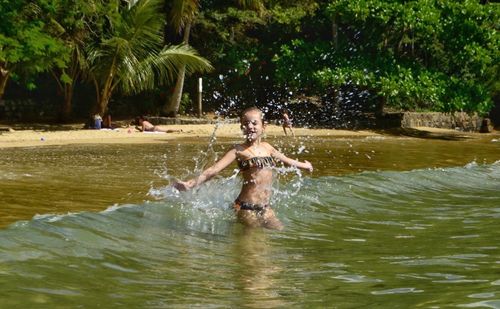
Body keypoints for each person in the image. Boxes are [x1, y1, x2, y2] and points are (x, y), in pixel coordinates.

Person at [173, 107, 313, 230]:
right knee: (251, 244)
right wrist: (190, 184)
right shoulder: (238, 150)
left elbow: (287, 161)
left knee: (279, 230)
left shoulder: (268, 147)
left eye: (254, 123)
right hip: (246, 207)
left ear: (264, 127)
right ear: (242, 128)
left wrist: (305, 165)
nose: (250, 126)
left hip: (265, 207)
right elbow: (214, 170)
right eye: (245, 124)